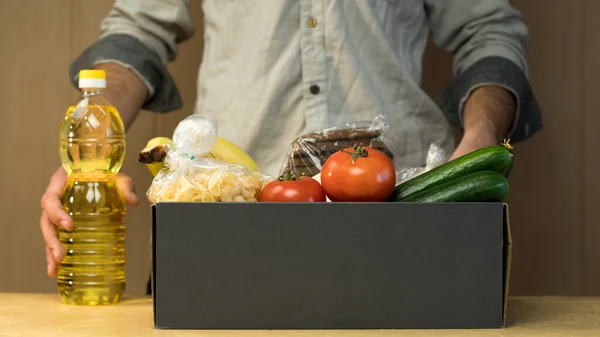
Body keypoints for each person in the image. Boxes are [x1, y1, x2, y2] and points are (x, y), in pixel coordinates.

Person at [40, 0, 542, 291]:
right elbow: (138, 30)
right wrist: (91, 141)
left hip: (400, 212)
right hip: (229, 213)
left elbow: (488, 30)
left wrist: (476, 146)